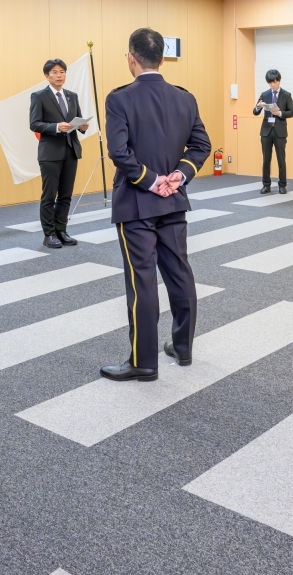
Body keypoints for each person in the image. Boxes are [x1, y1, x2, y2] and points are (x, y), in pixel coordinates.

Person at [99, 28, 212, 382]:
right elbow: (201, 145)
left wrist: (150, 180)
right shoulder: (184, 98)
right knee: (180, 273)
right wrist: (178, 176)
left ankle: (144, 362)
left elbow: (118, 152)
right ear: (162, 59)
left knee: (142, 281)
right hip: (174, 201)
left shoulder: (119, 99)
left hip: (136, 202)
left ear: (131, 58)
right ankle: (183, 347)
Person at [29, 59, 89, 249]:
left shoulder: (72, 96)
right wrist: (56, 127)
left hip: (71, 150)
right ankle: (49, 234)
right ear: (47, 76)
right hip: (50, 153)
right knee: (49, 196)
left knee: (65, 195)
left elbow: (76, 120)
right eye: (54, 72)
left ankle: (61, 230)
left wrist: (82, 126)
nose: (59, 75)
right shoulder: (39, 96)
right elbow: (34, 124)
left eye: (62, 71)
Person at [252, 69, 293, 194]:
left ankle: (282, 185)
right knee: (266, 159)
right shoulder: (264, 94)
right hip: (266, 131)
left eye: (275, 82)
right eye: (270, 83)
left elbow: (291, 112)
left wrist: (279, 113)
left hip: (280, 130)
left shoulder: (286, 95)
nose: (273, 85)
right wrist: (257, 107)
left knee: (281, 159)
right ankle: (266, 185)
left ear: (279, 80)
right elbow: (255, 112)